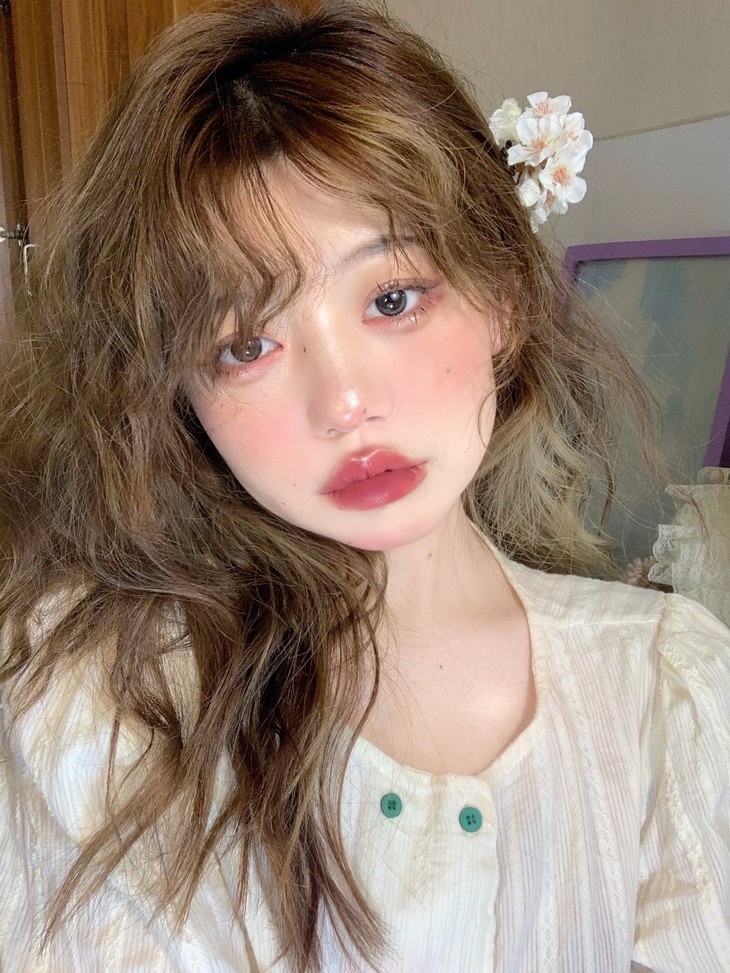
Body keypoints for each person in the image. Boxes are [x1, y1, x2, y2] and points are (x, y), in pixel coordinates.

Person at [1, 1, 728, 970]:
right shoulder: (92, 702)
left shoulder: (664, 688)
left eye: (392, 298)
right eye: (244, 345)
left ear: (505, 295)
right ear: (180, 396)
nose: (344, 402)